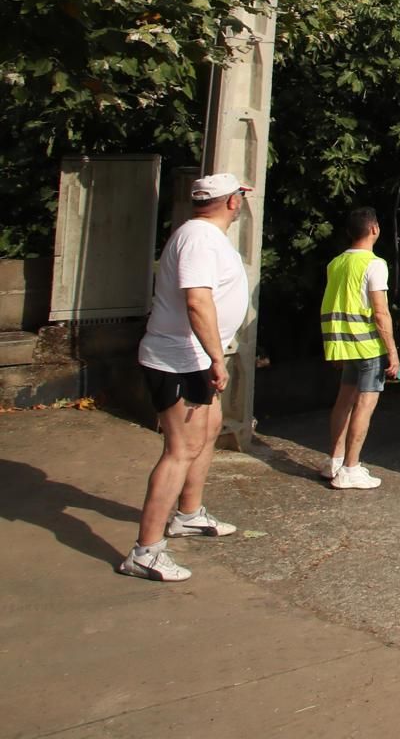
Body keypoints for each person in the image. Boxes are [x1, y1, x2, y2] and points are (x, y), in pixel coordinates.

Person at [120, 173, 252, 581]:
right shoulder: (198, 238)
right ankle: (146, 550)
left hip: (193, 357)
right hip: (180, 359)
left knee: (209, 429)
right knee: (180, 449)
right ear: (233, 202)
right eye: (241, 196)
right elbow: (197, 301)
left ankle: (189, 514)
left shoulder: (204, 236)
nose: (242, 202)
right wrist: (216, 357)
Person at [322, 207, 400, 489]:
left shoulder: (335, 263)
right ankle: (351, 468)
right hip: (368, 345)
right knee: (365, 405)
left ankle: (334, 460)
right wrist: (392, 351)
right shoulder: (374, 264)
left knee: (344, 401)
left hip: (342, 343)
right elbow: (380, 312)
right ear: (375, 229)